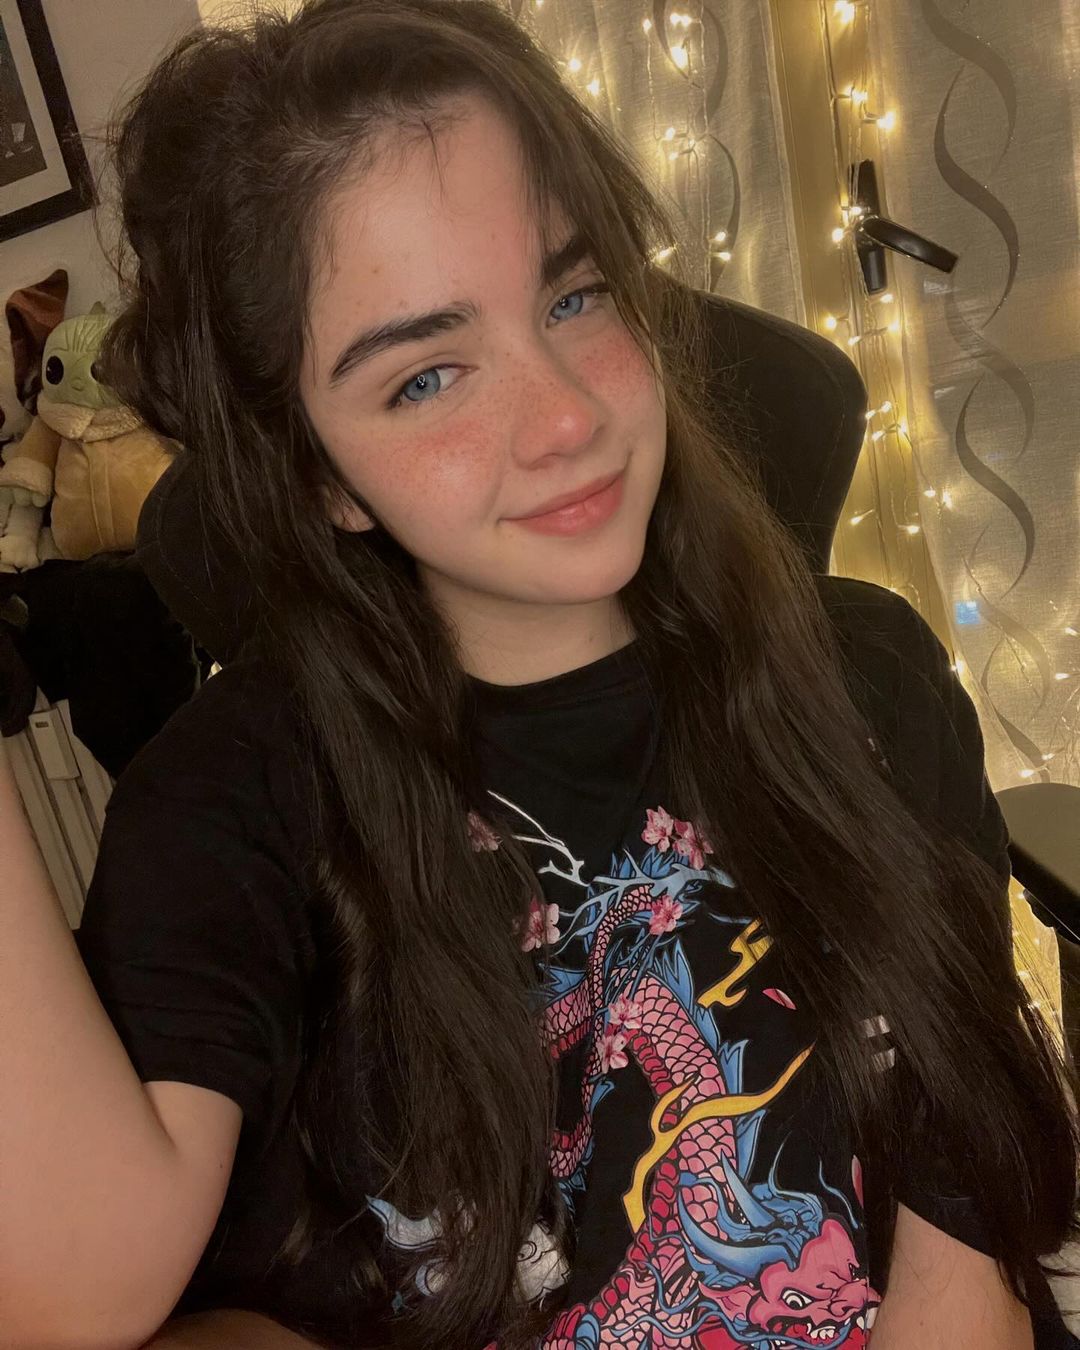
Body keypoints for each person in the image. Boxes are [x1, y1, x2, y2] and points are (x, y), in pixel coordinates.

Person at [2, 2, 1077, 1347]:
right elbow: (68, 1295)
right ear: (320, 475)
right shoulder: (233, 806)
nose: (567, 416)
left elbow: (968, 1224)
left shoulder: (864, 675)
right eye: (426, 378)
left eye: (574, 297)